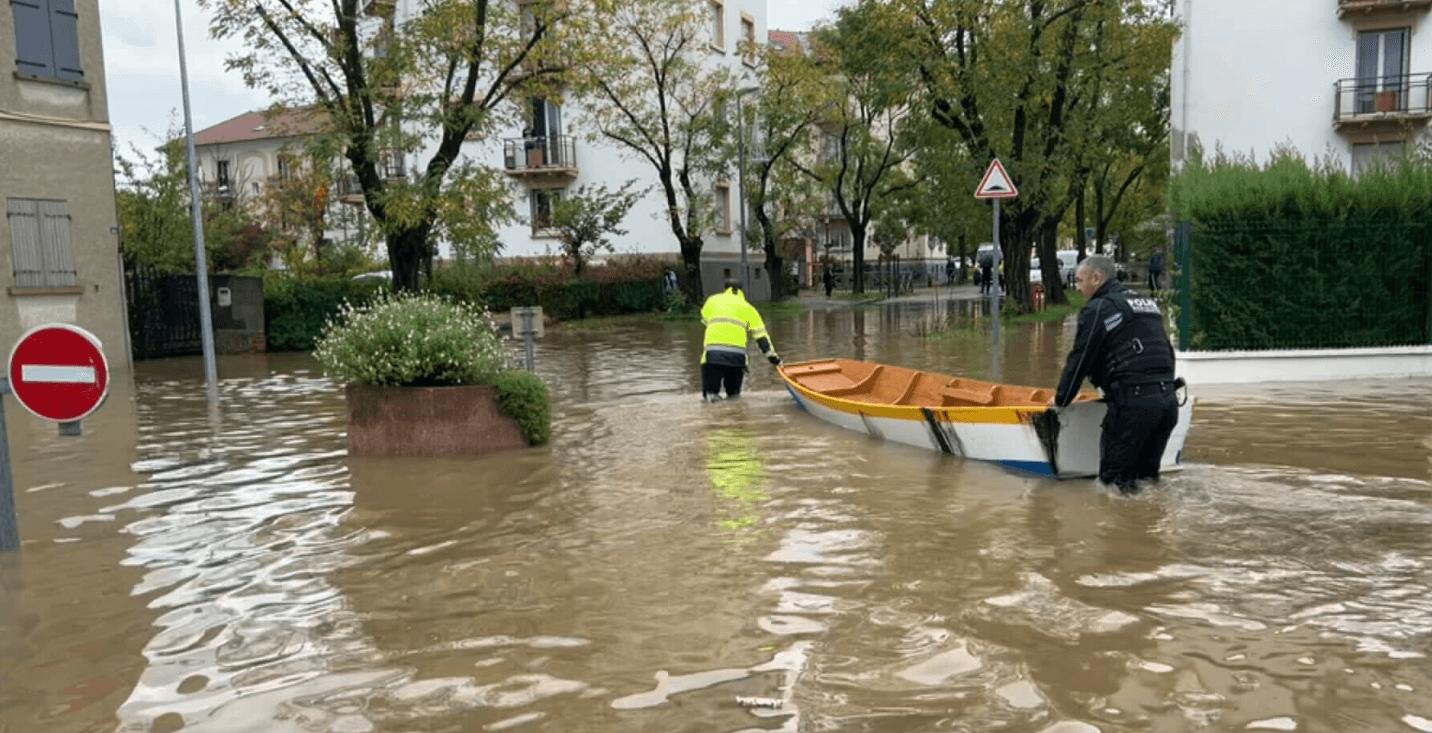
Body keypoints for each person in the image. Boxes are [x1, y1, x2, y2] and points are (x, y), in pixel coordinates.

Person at [1050, 255, 1179, 495]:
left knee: (1113, 488)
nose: (1076, 288)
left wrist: (1061, 399)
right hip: (1167, 404)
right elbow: (1166, 354)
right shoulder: (1147, 304)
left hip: (1133, 405)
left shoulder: (1098, 308)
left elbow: (1080, 359)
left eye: (1079, 281)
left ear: (1096, 278)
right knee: (1147, 483)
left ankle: (1121, 528)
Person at [700, 278, 780, 402]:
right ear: (742, 291)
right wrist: (773, 358)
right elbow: (761, 337)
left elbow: (705, 320)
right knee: (734, 398)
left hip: (712, 356)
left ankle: (713, 417)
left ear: (724, 289)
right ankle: (735, 415)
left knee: (710, 397)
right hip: (737, 359)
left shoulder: (712, 301)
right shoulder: (749, 308)